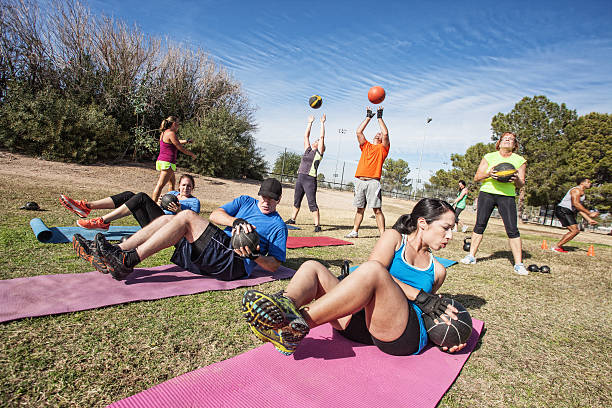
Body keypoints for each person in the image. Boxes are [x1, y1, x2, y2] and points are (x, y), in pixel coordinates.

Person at [241, 198, 467, 357]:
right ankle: (284, 306)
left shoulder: (438, 270)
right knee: (312, 267)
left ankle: (291, 328)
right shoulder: (394, 238)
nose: (450, 235)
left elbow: (429, 311)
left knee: (373, 272)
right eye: (446, 228)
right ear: (423, 223)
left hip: (399, 333)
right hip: (359, 325)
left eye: (452, 230)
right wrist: (421, 296)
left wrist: (448, 335)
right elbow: (374, 271)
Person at [72, 178, 288, 282]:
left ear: (279, 200)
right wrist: (235, 221)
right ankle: (115, 252)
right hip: (218, 248)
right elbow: (215, 215)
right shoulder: (245, 201)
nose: (266, 202)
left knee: (185, 216)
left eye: (272, 199)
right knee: (169, 220)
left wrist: (256, 255)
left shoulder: (278, 226)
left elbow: (274, 266)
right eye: (264, 196)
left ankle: (128, 261)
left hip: (234, 264)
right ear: (259, 194)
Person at [460, 132, 528, 275]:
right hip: (487, 193)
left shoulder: (520, 160)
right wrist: (489, 173)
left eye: (511, 140)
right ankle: (471, 256)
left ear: (515, 145)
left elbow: (521, 184)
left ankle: (518, 264)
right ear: (500, 142)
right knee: (480, 225)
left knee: (512, 229)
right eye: (505, 139)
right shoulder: (489, 157)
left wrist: (515, 178)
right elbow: (477, 177)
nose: (508, 141)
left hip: (507, 196)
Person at [59, 174, 200, 230]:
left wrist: (178, 211)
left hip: (166, 229)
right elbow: (156, 207)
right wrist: (159, 202)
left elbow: (191, 223)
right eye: (183, 185)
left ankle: (103, 221)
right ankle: (86, 206)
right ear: (179, 185)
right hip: (153, 221)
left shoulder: (194, 202)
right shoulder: (171, 194)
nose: (185, 188)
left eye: (189, 186)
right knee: (129, 195)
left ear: (192, 188)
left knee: (141, 197)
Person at [345, 106, 390, 238]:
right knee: (359, 209)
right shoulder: (366, 146)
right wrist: (368, 117)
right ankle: (355, 231)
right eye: (378, 132)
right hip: (360, 181)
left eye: (380, 133)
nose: (379, 133)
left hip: (373, 183)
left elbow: (386, 133)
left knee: (377, 210)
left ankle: (383, 235)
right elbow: (358, 132)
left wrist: (380, 117)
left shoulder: (383, 149)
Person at [285, 114, 326, 232]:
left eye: (317, 141)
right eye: (316, 140)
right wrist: (310, 123)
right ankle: (292, 219)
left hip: (309, 179)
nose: (316, 141)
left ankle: (317, 226)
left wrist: (322, 123)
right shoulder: (307, 150)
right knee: (296, 200)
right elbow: (306, 136)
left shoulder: (319, 153)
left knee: (311, 202)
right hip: (300, 177)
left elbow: (322, 137)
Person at [151, 116, 196, 203]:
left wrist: (186, 141)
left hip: (162, 161)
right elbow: (180, 147)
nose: (178, 126)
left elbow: (176, 141)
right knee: (160, 185)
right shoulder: (171, 133)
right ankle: (152, 205)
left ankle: (168, 203)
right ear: (174, 124)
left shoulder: (164, 133)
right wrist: (191, 154)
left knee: (172, 184)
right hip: (168, 162)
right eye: (178, 124)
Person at [552, 178, 599, 253]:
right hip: (563, 210)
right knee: (575, 231)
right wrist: (589, 213)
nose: (590, 183)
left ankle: (557, 246)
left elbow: (579, 208)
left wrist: (589, 219)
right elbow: (575, 204)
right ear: (582, 183)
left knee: (574, 231)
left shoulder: (582, 193)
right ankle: (557, 247)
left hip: (567, 211)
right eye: (588, 182)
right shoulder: (576, 190)